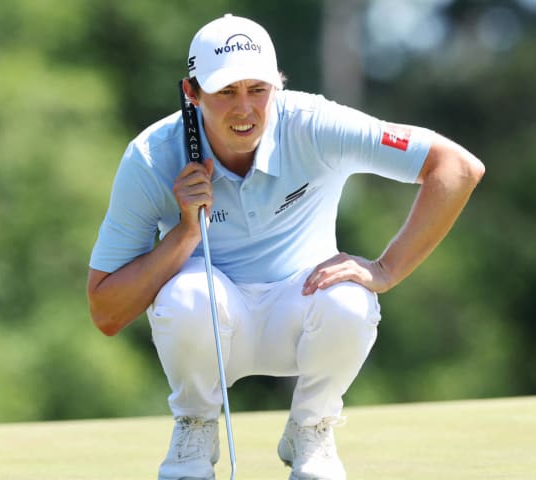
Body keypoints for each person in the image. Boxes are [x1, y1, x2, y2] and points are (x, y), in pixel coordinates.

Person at [87, 13, 484, 480]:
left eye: (258, 89)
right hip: (210, 326)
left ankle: (311, 427)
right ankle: (195, 426)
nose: (244, 109)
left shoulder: (314, 124)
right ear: (191, 94)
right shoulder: (153, 155)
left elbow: (457, 167)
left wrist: (386, 269)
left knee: (351, 300)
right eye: (226, 92)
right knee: (187, 296)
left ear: (278, 85)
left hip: (301, 315)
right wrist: (186, 234)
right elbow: (106, 312)